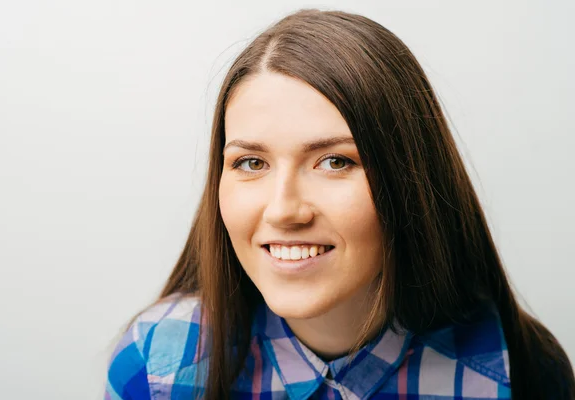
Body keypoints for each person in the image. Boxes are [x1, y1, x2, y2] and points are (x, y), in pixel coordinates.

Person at [103, 9, 574, 400]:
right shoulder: (156, 366)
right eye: (250, 162)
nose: (284, 210)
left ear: (410, 178)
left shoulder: (521, 370)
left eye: (334, 161)